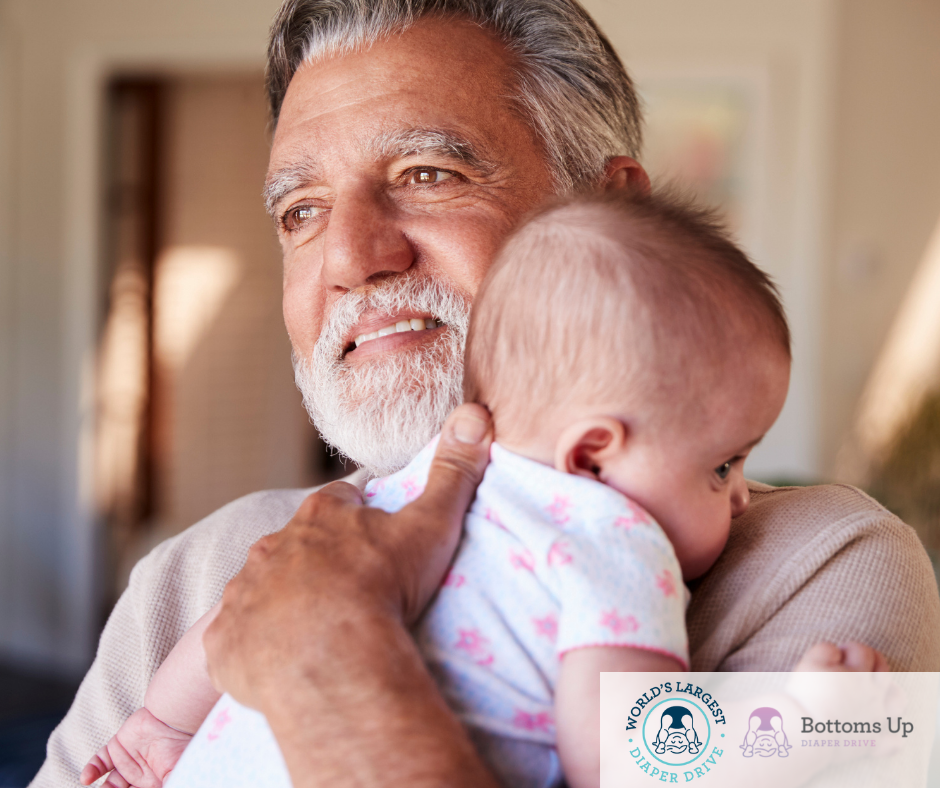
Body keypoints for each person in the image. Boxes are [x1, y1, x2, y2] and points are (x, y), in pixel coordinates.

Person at [31, 1, 940, 787]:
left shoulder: (823, 562)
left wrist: (329, 652)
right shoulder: (203, 567)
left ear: (609, 208)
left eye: (430, 174)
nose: (349, 258)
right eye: (300, 211)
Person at [81, 193, 884, 788]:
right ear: (595, 457)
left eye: (431, 175)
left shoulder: (416, 484)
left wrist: (156, 729)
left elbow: (237, 619)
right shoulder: (617, 542)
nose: (740, 497)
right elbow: (628, 754)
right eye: (722, 465)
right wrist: (799, 731)